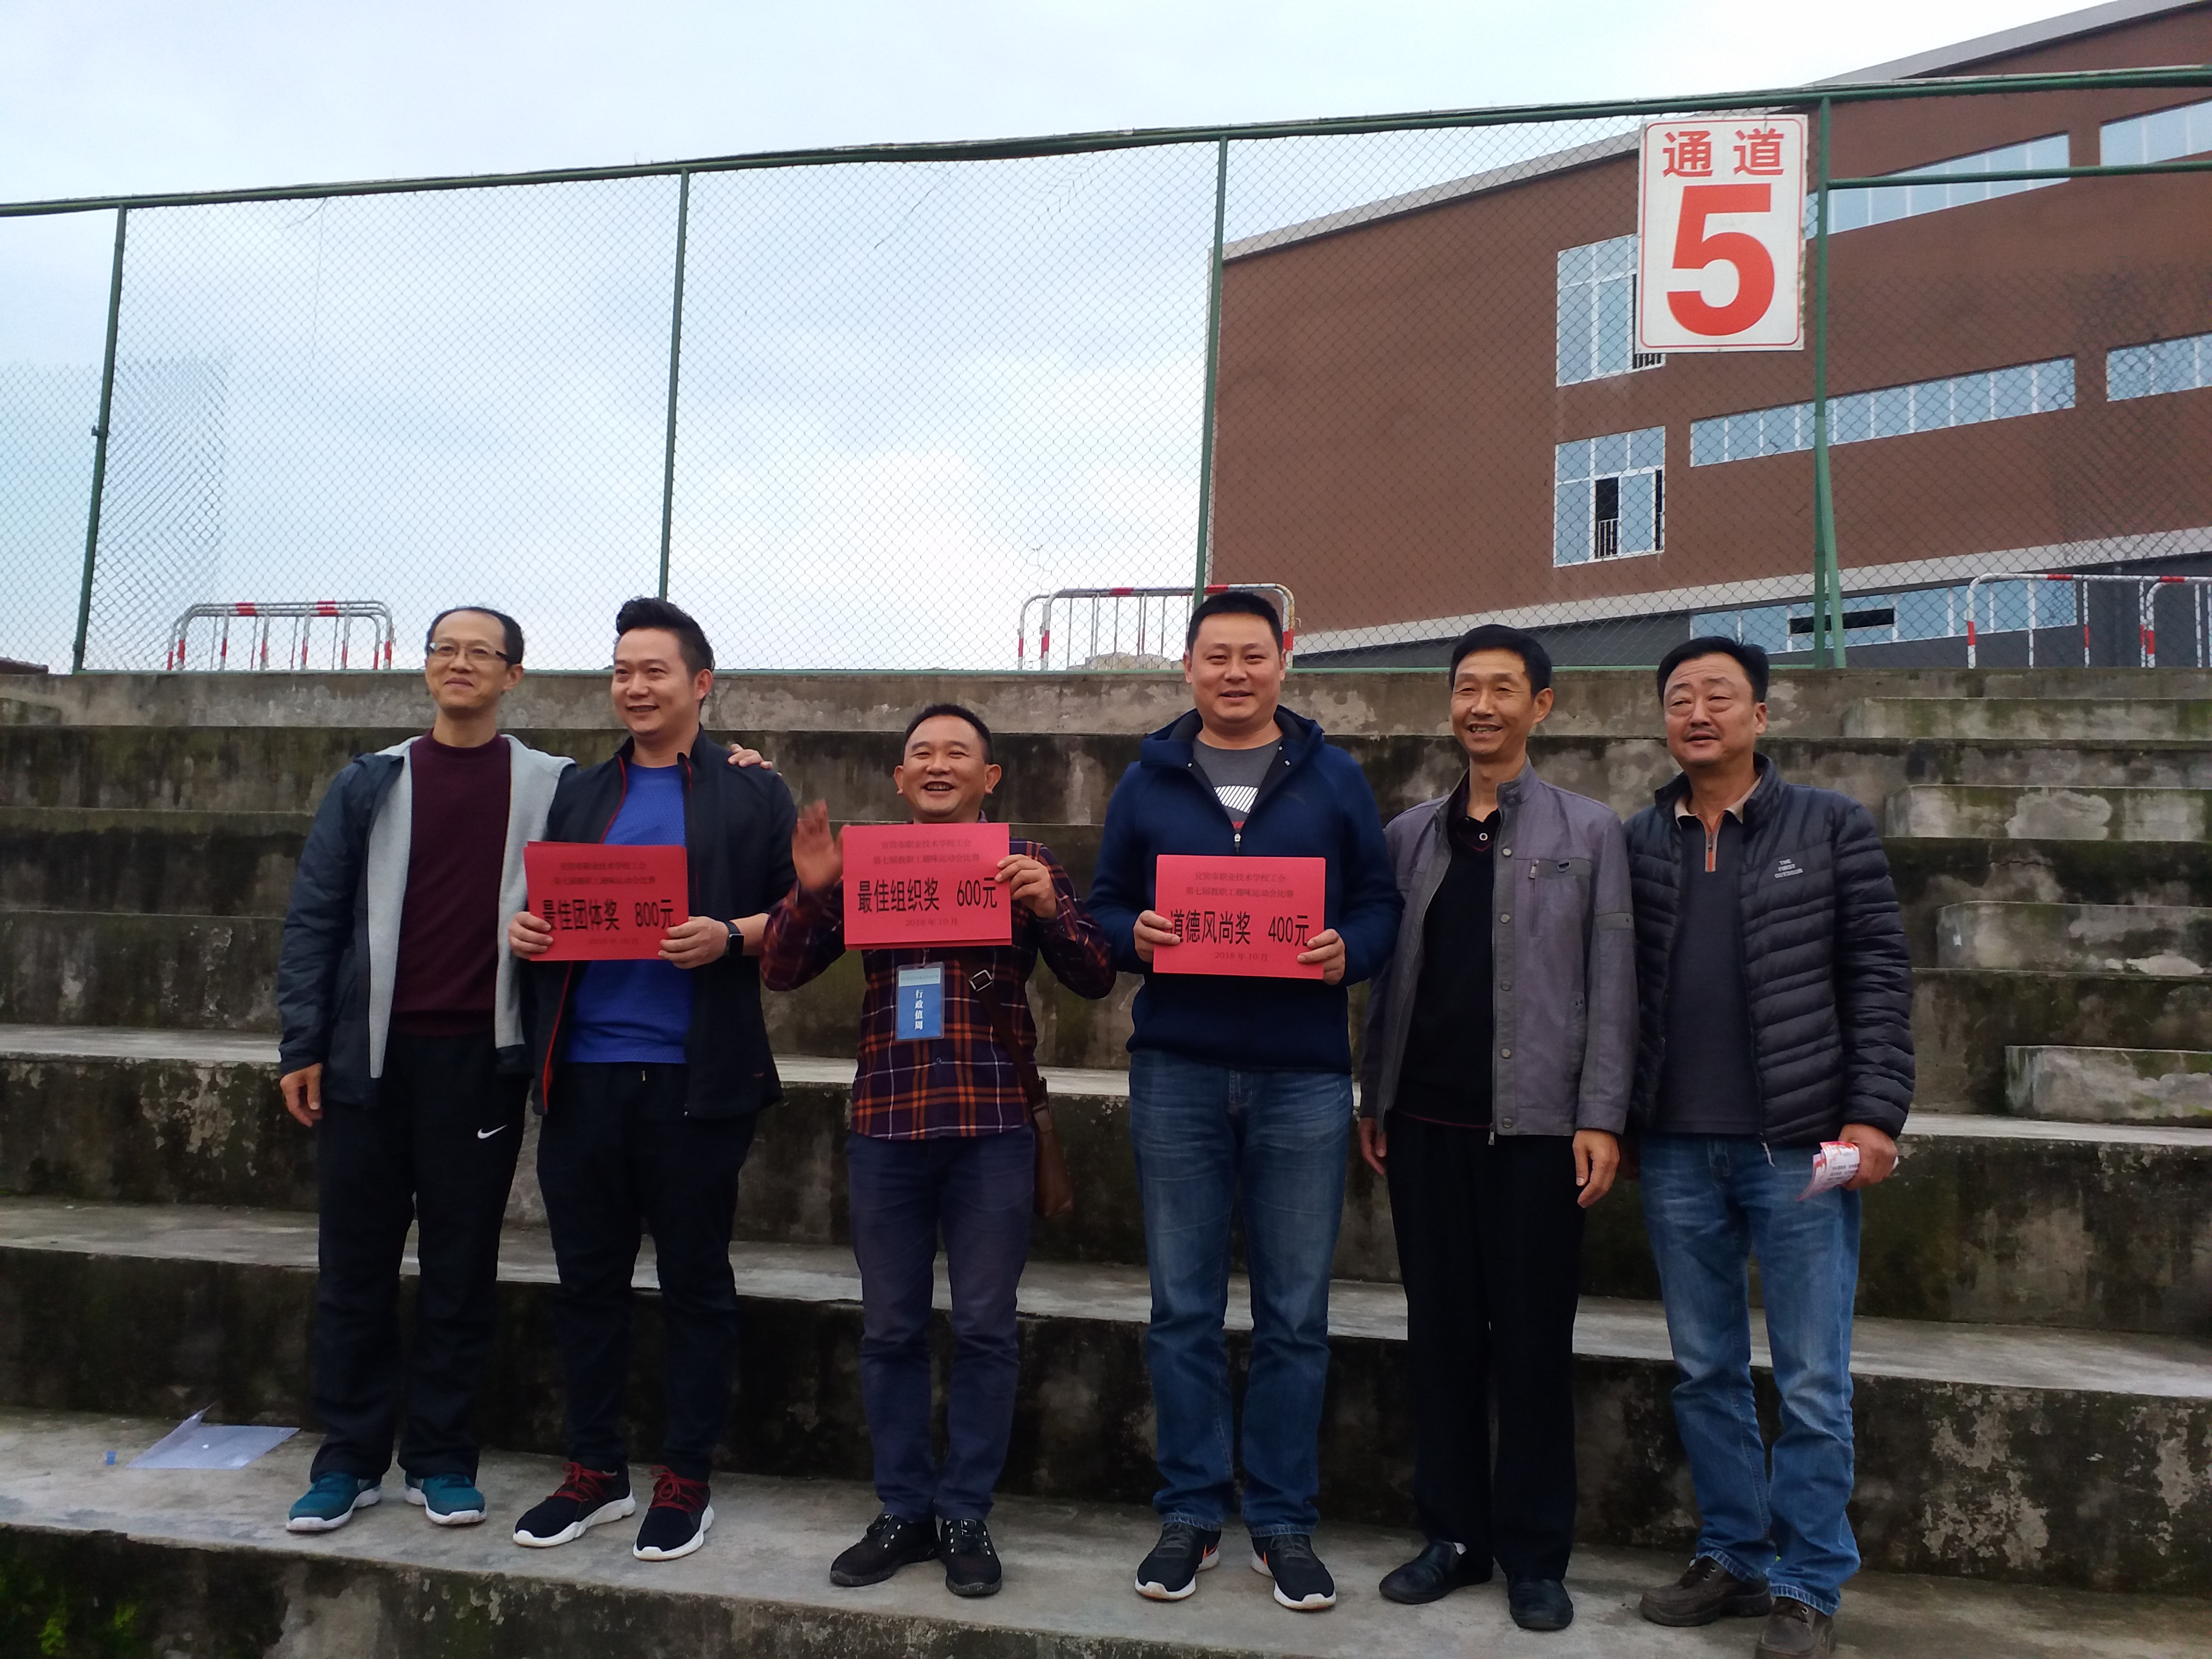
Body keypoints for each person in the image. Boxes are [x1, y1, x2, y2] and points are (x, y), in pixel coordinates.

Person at [1087, 589, 1403, 1613]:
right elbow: (1102, 903)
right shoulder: (1149, 778)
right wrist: (1130, 932)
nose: (1235, 672)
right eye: (1216, 655)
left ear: (1283, 662)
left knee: (1294, 1313)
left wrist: (1350, 950)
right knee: (1182, 1308)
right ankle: (1189, 1511)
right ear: (1188, 668)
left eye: (1252, 655)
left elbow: (1380, 902)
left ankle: (1281, 1519)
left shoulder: (1332, 777)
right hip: (1177, 1069)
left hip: (1300, 1075)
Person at [760, 703, 1117, 1597]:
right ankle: (903, 1508)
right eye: (921, 753)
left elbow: (1095, 974)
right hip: (888, 1124)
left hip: (992, 1127)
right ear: (899, 778)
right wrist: (811, 890)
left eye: (958, 752)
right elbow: (781, 971)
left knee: (987, 1328)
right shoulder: (866, 866)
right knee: (891, 1329)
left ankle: (965, 1511)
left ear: (989, 778)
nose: (938, 764)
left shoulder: (1026, 862)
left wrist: (1052, 912)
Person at [1626, 637, 1912, 1659]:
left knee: (1812, 1380)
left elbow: (1878, 972)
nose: (1698, 713)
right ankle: (1736, 1554)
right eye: (1680, 698)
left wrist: (1875, 1115)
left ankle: (1808, 1581)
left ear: (1760, 715)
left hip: (1798, 1145)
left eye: (1720, 696)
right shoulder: (1639, 839)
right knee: (1704, 1368)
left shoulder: (1829, 825)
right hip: (1674, 1146)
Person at [506, 596, 797, 1563]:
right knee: (586, 1283)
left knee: (695, 1283)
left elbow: (804, 920)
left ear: (700, 684)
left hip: (694, 1080)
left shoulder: (752, 792)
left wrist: (730, 935)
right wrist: (528, 933)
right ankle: (595, 1471)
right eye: (622, 671)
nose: (634, 687)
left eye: (654, 671)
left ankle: (686, 1477)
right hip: (583, 1074)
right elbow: (544, 909)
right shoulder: (581, 794)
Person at [1356, 624, 1633, 1633]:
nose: (1481, 706)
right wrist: (1373, 1096)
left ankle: (1534, 1554)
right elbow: (1390, 980)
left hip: (1538, 1130)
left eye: (1503, 689)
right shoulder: (1409, 834)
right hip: (1424, 1122)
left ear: (1540, 706)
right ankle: (1453, 1536)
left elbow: (1614, 983)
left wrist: (1601, 1115)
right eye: (1467, 688)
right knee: (1439, 1338)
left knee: (1532, 1343)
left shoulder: (1590, 833)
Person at [276, 606, 573, 1534]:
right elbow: (315, 918)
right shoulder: (371, 780)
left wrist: (738, 763)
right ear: (427, 666)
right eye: (446, 649)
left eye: (481, 652)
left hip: (480, 1063)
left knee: (460, 1267)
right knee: (353, 1267)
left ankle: (441, 1458)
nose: (460, 663)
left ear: (513, 675)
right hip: (366, 1062)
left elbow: (656, 801)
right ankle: (348, 1458)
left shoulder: (553, 785)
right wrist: (302, 1044)